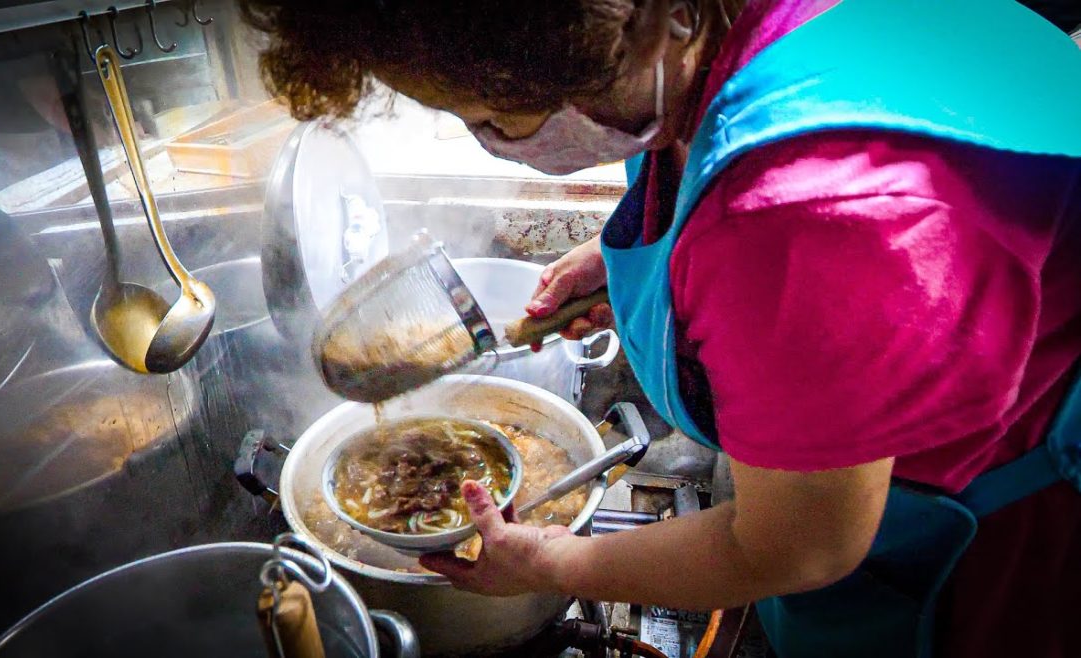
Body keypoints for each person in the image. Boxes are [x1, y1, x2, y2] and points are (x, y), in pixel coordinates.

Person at [241, 1, 1081, 656]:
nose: (487, 141)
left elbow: (802, 547)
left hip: (993, 545)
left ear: (608, 52)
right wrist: (623, 260)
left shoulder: (798, 224)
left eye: (492, 115)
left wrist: (552, 565)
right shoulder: (694, 40)